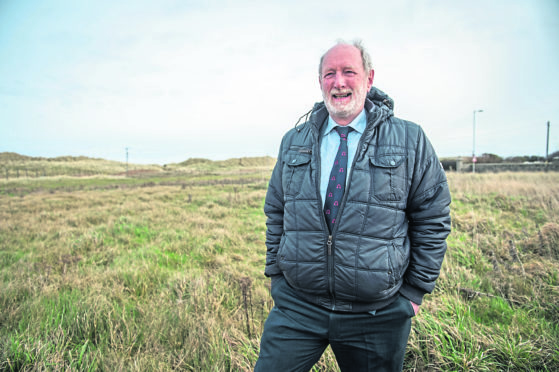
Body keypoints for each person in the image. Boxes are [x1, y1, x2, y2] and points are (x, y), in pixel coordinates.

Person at [255, 40, 451, 372]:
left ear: (369, 78)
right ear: (320, 82)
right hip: (298, 306)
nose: (339, 81)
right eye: (329, 73)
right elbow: (277, 209)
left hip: (376, 313)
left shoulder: (409, 139)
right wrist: (276, 273)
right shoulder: (295, 140)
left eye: (349, 71)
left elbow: (432, 216)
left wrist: (414, 292)